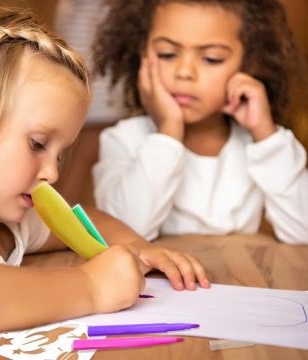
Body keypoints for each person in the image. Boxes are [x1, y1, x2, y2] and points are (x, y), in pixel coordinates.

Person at [0, 4, 210, 352]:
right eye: (38, 144)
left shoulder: (3, 219)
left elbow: (80, 219)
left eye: (59, 154)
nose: (53, 172)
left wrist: (136, 248)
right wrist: (90, 287)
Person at [92, 0, 308, 244]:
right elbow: (125, 233)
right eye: (167, 54)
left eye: (211, 59)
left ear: (250, 64)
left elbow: (302, 232)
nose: (184, 71)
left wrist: (265, 134)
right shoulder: (123, 140)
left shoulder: (261, 146)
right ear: (142, 55)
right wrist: (168, 132)